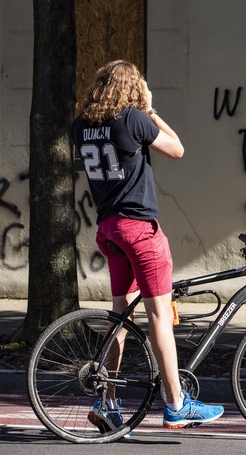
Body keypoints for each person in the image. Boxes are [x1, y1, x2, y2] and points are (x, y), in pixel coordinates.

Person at [73, 59, 223, 431]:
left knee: (120, 317)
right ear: (132, 89)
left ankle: (107, 402)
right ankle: (176, 404)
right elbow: (177, 149)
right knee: (159, 316)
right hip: (139, 230)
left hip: (108, 230)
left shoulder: (80, 127)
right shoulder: (133, 119)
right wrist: (151, 110)